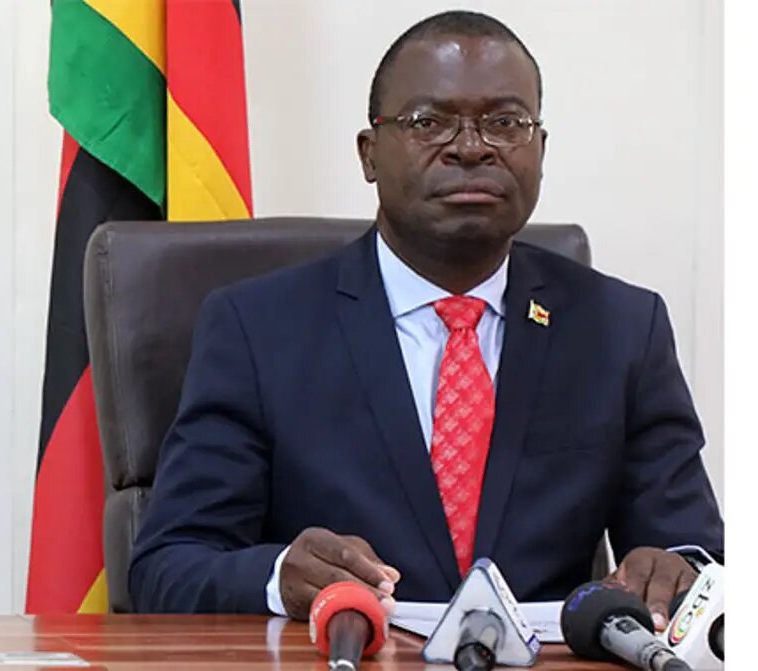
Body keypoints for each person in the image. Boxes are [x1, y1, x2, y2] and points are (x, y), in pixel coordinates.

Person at [127, 10, 723, 628]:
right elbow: (168, 567)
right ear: (370, 154)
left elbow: (698, 557)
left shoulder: (621, 330)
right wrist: (280, 577)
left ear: (540, 151)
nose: (471, 148)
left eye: (505, 123)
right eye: (428, 122)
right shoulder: (258, 329)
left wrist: (676, 572)